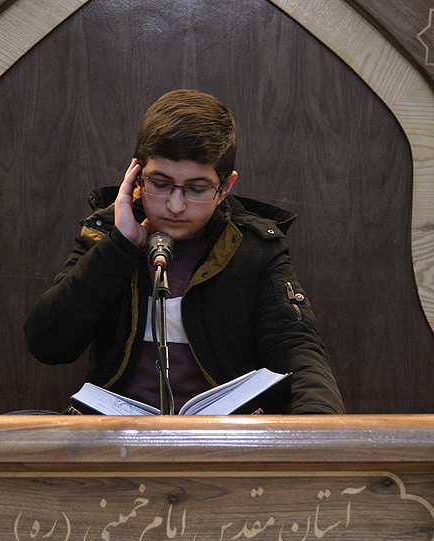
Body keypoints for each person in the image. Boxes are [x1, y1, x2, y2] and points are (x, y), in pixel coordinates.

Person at [25, 90, 343, 415]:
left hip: (220, 442)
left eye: (197, 189)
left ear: (225, 188)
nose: (175, 206)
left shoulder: (254, 247)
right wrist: (119, 248)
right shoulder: (107, 234)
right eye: (160, 184)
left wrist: (319, 433)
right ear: (136, 176)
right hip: (117, 440)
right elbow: (48, 345)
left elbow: (297, 348)